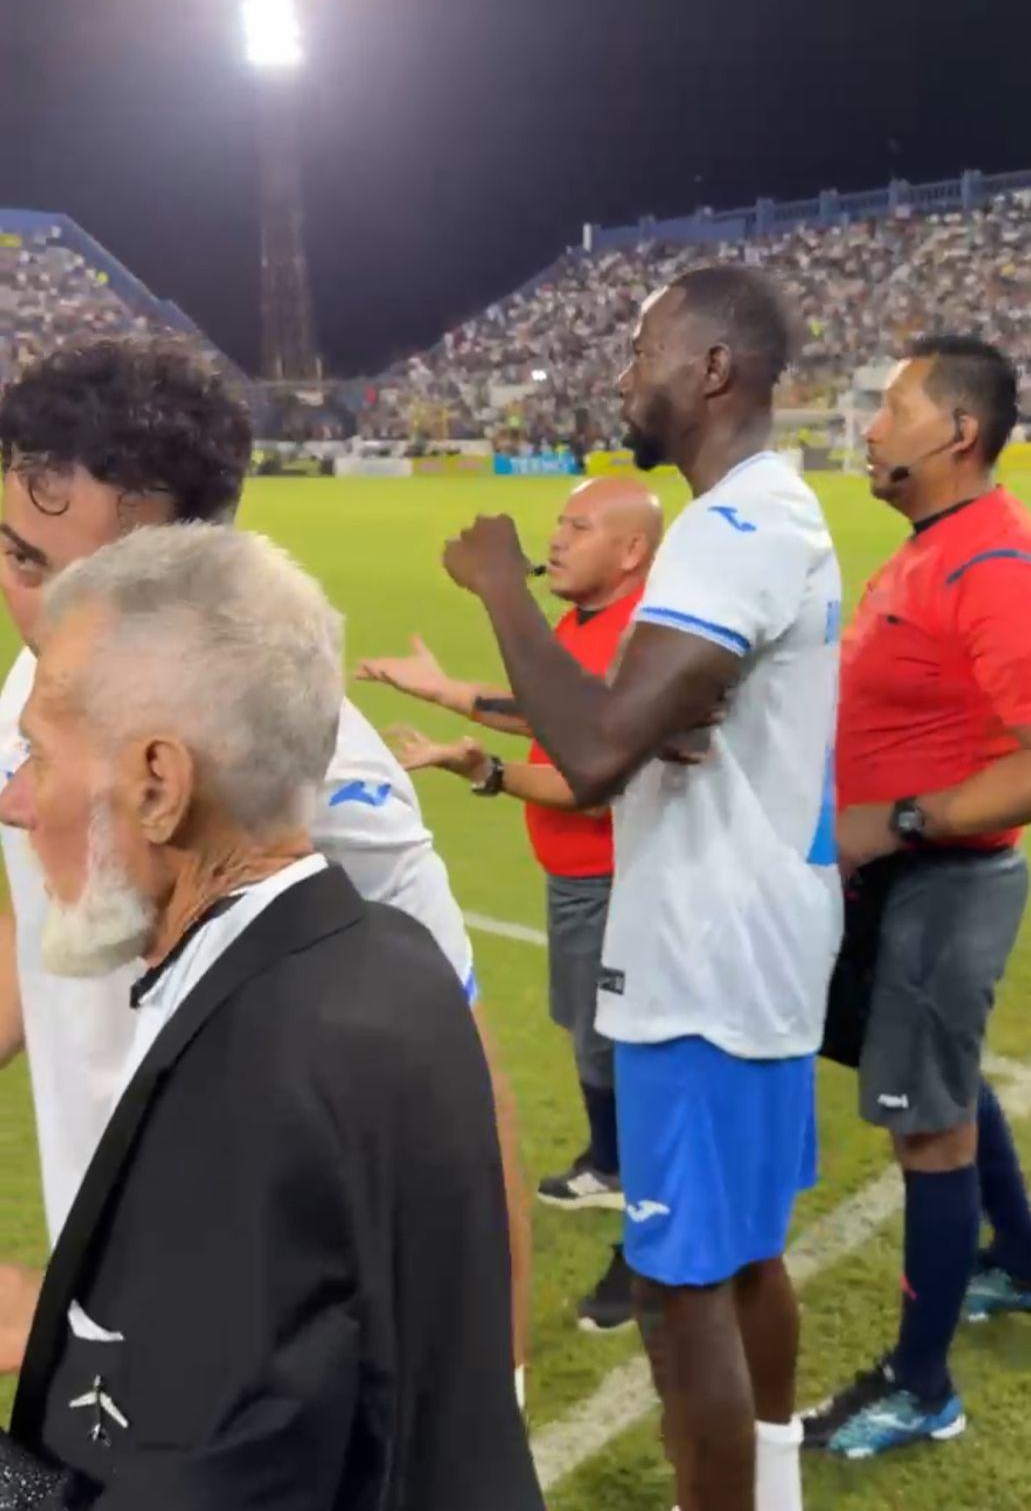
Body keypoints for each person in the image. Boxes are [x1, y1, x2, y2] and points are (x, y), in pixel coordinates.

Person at [0, 337, 528, 1384]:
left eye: (98, 578)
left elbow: (454, 1079)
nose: (48, 612)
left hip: (255, 1378)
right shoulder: (34, 698)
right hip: (109, 1349)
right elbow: (36, 936)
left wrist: (488, 1407)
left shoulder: (306, 768)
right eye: (22, 557)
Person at [439, 265, 843, 1511]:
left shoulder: (731, 530)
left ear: (712, 370)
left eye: (644, 350)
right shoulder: (764, 517)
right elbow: (636, 724)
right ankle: (764, 1494)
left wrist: (502, 583)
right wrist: (624, 715)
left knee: (676, 1285)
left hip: (704, 957)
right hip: (758, 937)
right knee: (743, 1257)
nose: (623, 375)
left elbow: (600, 749)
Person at [357, 477, 664, 1334]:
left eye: (578, 526)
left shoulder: (635, 636)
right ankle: (608, 1165)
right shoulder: (582, 622)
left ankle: (644, 1253)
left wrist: (484, 772)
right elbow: (541, 706)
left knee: (629, 1063)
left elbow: (587, 781)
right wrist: (448, 691)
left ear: (631, 551)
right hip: (580, 881)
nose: (555, 539)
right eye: (557, 524)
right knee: (591, 1040)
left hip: (619, 884)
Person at [802, 336, 1031, 1459]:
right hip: (900, 879)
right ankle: (1019, 1260)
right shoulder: (931, 545)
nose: (868, 424)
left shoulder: (987, 565)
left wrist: (890, 821)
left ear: (955, 432)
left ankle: (921, 1386)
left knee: (927, 1132)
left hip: (941, 879)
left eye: (889, 405)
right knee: (929, 1079)